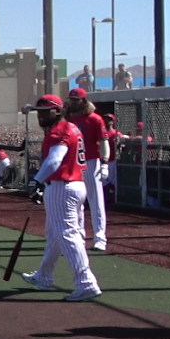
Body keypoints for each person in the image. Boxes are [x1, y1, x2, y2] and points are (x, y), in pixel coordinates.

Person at [20, 94, 101, 301]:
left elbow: (55, 159)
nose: (40, 116)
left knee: (68, 235)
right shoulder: (72, 127)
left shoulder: (59, 130)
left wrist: (37, 180)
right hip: (72, 185)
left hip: (63, 187)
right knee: (55, 236)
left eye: (44, 112)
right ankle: (44, 276)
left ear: (57, 111)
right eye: (38, 112)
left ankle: (86, 282)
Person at [66, 88, 112, 251]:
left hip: (91, 161)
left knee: (96, 200)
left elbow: (104, 141)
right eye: (72, 100)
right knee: (76, 201)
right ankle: (79, 235)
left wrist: (104, 163)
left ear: (84, 101)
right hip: (73, 163)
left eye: (76, 100)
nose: (73, 103)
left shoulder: (94, 119)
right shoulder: (67, 118)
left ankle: (100, 238)